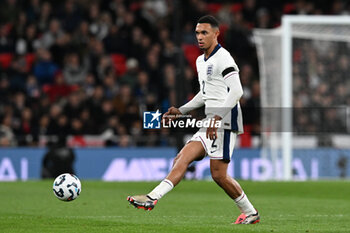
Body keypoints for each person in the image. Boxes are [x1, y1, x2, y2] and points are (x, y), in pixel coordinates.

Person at [127, 15, 260, 225]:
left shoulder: (223, 58)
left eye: (204, 32)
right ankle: (152, 198)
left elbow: (237, 91)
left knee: (219, 175)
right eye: (197, 33)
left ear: (216, 34)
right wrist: (181, 110)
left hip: (225, 121)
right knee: (182, 156)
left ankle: (250, 212)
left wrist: (217, 118)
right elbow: (204, 94)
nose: (199, 37)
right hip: (211, 120)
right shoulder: (200, 60)